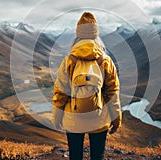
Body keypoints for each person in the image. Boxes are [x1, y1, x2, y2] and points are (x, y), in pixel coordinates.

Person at [52, 12, 122, 160]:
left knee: (75, 157)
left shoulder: (69, 60)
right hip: (99, 118)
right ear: (96, 35)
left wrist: (56, 118)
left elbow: (60, 93)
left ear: (77, 36)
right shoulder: (105, 60)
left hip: (73, 120)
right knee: (97, 156)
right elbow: (112, 93)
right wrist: (116, 120)